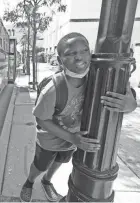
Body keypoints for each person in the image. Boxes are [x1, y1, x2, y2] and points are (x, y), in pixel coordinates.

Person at [20, 32, 137, 202]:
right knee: (41, 164)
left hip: (75, 139)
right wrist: (72, 137)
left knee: (61, 160)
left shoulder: (98, 77)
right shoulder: (53, 88)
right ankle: (29, 182)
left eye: (84, 50)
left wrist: (130, 104)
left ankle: (47, 181)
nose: (79, 57)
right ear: (60, 61)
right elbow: (41, 120)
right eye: (70, 53)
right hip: (51, 139)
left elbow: (127, 99)